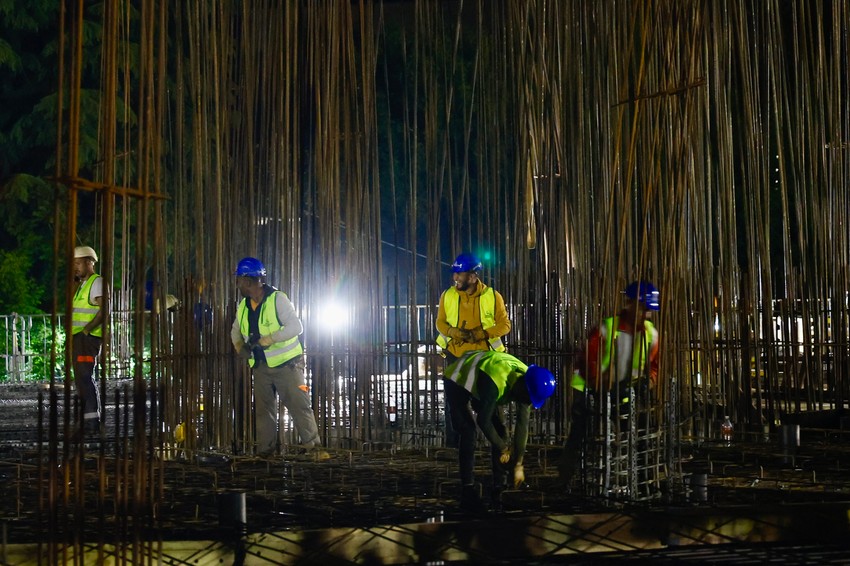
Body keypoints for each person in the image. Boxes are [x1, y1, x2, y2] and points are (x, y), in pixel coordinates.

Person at [558, 280, 661, 487]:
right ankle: (565, 479)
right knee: (581, 431)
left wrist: (647, 382)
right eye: (644, 309)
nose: (647, 315)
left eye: (650, 310)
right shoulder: (607, 328)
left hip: (623, 389)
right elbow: (587, 362)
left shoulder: (651, 334)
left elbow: (654, 367)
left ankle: (642, 481)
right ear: (630, 304)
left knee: (640, 431)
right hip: (589, 387)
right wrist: (602, 384)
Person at [230, 257, 328, 460]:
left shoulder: (277, 299)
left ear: (248, 281)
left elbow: (296, 327)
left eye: (239, 279)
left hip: (288, 366)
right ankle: (266, 452)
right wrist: (240, 347)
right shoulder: (244, 306)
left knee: (299, 405)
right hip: (261, 367)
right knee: (264, 411)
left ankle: (315, 448)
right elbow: (235, 330)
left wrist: (270, 339)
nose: (237, 283)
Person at [443, 350, 555, 513]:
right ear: (522, 387)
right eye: (527, 398)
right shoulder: (495, 382)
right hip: (457, 379)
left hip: (481, 377)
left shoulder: (528, 382)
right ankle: (468, 490)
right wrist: (503, 448)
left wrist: (518, 464)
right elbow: (483, 420)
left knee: (500, 431)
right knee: (469, 431)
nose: (527, 402)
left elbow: (522, 425)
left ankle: (499, 488)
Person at [436, 253, 511, 446]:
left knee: (489, 411)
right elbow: (440, 323)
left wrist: (482, 334)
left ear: (472, 276)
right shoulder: (448, 295)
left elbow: (505, 325)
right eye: (455, 273)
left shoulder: (493, 297)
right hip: (457, 358)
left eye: (459, 274)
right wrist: (454, 332)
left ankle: (501, 453)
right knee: (458, 416)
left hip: (485, 361)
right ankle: (460, 451)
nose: (455, 278)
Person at [71, 245, 107, 434]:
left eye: (78, 263)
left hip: (88, 339)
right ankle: (87, 418)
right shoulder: (83, 285)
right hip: (80, 339)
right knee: (81, 378)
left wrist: (87, 330)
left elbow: (105, 310)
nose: (75, 267)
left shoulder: (97, 282)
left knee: (85, 377)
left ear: (88, 262)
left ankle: (92, 421)